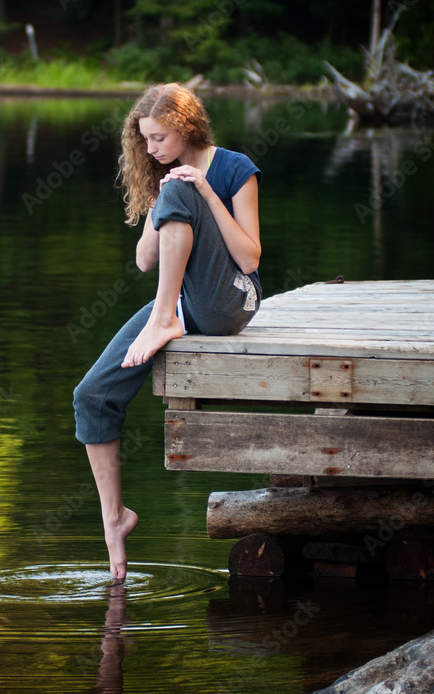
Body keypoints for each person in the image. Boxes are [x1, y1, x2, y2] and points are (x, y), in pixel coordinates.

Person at [73, 83, 262, 583]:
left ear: (186, 127)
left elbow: (250, 258)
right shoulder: (166, 178)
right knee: (90, 395)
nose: (151, 148)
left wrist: (202, 192)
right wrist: (163, 201)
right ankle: (114, 519)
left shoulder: (235, 168)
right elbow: (143, 260)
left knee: (183, 190)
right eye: (145, 140)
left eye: (159, 138)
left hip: (232, 300)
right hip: (181, 302)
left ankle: (163, 320)